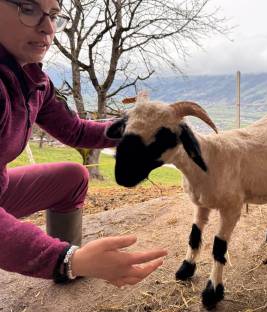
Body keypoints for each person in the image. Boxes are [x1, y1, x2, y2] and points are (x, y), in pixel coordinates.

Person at [0, 0, 167, 287]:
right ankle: (68, 263)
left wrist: (131, 127)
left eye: (53, 15)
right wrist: (65, 258)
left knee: (73, 177)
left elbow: (75, 131)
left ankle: (68, 269)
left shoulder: (32, 79)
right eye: (28, 9)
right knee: (67, 259)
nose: (48, 28)